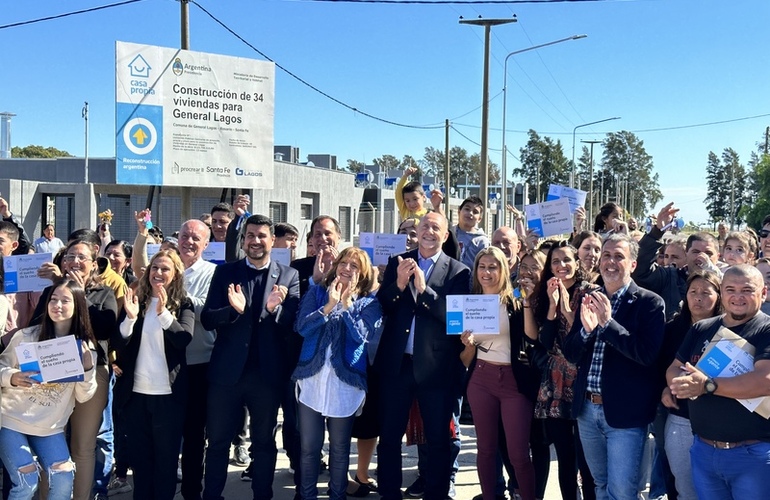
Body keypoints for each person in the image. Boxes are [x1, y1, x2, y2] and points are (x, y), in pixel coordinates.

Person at [201, 214, 300, 500]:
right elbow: (208, 319)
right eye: (250, 236)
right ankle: (212, 495)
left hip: (266, 377)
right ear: (243, 240)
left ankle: (262, 495)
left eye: (262, 236)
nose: (255, 241)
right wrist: (233, 311)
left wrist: (274, 309)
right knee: (217, 442)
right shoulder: (225, 273)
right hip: (226, 375)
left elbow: (292, 325)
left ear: (272, 241)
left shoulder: (288, 275)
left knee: (264, 443)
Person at [374, 212, 471, 500]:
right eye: (425, 225)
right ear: (417, 230)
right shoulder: (398, 262)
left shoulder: (458, 271)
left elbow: (455, 320)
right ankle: (389, 494)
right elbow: (382, 306)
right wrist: (399, 286)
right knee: (389, 438)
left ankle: (436, 494)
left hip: (436, 369)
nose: (429, 231)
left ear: (445, 235)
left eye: (436, 228)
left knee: (438, 440)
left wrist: (423, 290)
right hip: (397, 364)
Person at [563, 234, 665, 500]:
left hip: (625, 415)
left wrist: (608, 324)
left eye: (619, 256)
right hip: (587, 410)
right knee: (600, 485)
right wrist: (585, 332)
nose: (610, 262)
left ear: (632, 264)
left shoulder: (649, 303)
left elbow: (646, 355)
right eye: (606, 255)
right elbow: (571, 354)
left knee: (622, 491)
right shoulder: (590, 297)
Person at [668, 265, 770, 499]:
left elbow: (765, 381)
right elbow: (674, 369)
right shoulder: (701, 328)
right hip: (704, 451)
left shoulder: (767, 329)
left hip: (752, 454)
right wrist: (682, 383)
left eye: (747, 290)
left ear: (763, 293)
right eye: (730, 289)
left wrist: (707, 385)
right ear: (722, 293)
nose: (737, 296)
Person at [30, 238, 119, 500]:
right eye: (70, 256)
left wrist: (80, 297)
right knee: (51, 441)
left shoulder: (104, 294)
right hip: (52, 369)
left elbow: (105, 328)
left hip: (91, 373)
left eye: (82, 258)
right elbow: (35, 328)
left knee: (83, 446)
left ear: (94, 265)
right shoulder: (51, 292)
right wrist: (60, 291)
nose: (75, 262)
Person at [292, 247, 382, 500]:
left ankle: (337, 495)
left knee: (340, 449)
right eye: (344, 262)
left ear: (363, 273)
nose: (347, 268)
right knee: (309, 447)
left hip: (346, 382)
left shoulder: (370, 303)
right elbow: (302, 328)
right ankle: (307, 495)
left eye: (355, 266)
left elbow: (361, 336)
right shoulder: (318, 291)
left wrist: (346, 305)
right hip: (312, 377)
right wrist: (328, 307)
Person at [0, 278, 98, 500]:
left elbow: (84, 396)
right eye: (53, 299)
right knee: (27, 481)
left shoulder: (84, 349)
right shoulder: (25, 337)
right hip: (10, 420)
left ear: (78, 306)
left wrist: (87, 368)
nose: (58, 305)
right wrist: (12, 377)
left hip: (50, 427)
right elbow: (1, 366)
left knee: (63, 480)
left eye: (65, 300)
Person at [113, 250, 194, 500]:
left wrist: (163, 313)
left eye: (165, 269)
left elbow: (183, 339)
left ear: (176, 275)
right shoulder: (136, 300)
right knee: (141, 461)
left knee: (166, 462)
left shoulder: (184, 304)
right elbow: (119, 341)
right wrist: (129, 318)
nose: (158, 273)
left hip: (168, 397)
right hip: (136, 394)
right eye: (155, 268)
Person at [460, 247, 538, 500]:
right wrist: (468, 345)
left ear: (503, 271)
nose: (487, 272)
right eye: (482, 267)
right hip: (481, 379)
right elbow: (463, 360)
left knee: (518, 453)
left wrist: (526, 301)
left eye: (493, 267)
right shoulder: (467, 303)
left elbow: (530, 337)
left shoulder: (514, 298)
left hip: (513, 381)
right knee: (485, 449)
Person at [525, 242, 595, 500]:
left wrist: (567, 308)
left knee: (586, 460)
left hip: (583, 379)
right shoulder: (547, 293)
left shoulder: (590, 293)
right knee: (565, 457)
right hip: (555, 382)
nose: (561, 266)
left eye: (567, 260)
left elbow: (583, 338)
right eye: (555, 261)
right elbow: (544, 342)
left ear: (577, 262)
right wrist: (553, 307)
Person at [659, 271, 722, 500]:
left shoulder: (731, 331)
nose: (698, 298)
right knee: (686, 489)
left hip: (721, 423)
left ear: (719, 296)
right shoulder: (672, 328)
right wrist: (665, 387)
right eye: (693, 292)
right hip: (681, 418)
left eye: (706, 293)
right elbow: (661, 368)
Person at [176, 220, 217, 500]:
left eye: (196, 238)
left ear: (206, 244)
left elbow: (208, 310)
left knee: (193, 435)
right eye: (185, 236)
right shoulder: (165, 267)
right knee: (165, 434)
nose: (189, 242)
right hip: (164, 363)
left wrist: (176, 297)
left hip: (198, 364)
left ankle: (192, 491)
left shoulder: (213, 273)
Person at [633, 202, 721, 320]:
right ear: (687, 254)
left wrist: (717, 276)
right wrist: (657, 232)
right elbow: (640, 269)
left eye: (708, 253)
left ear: (718, 257)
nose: (702, 257)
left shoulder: (726, 284)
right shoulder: (669, 277)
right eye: (695, 252)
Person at [455, 195, 490, 269]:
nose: (470, 213)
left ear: (479, 219)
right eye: (467, 209)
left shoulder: (482, 241)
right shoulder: (450, 233)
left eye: (475, 212)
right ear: (459, 211)